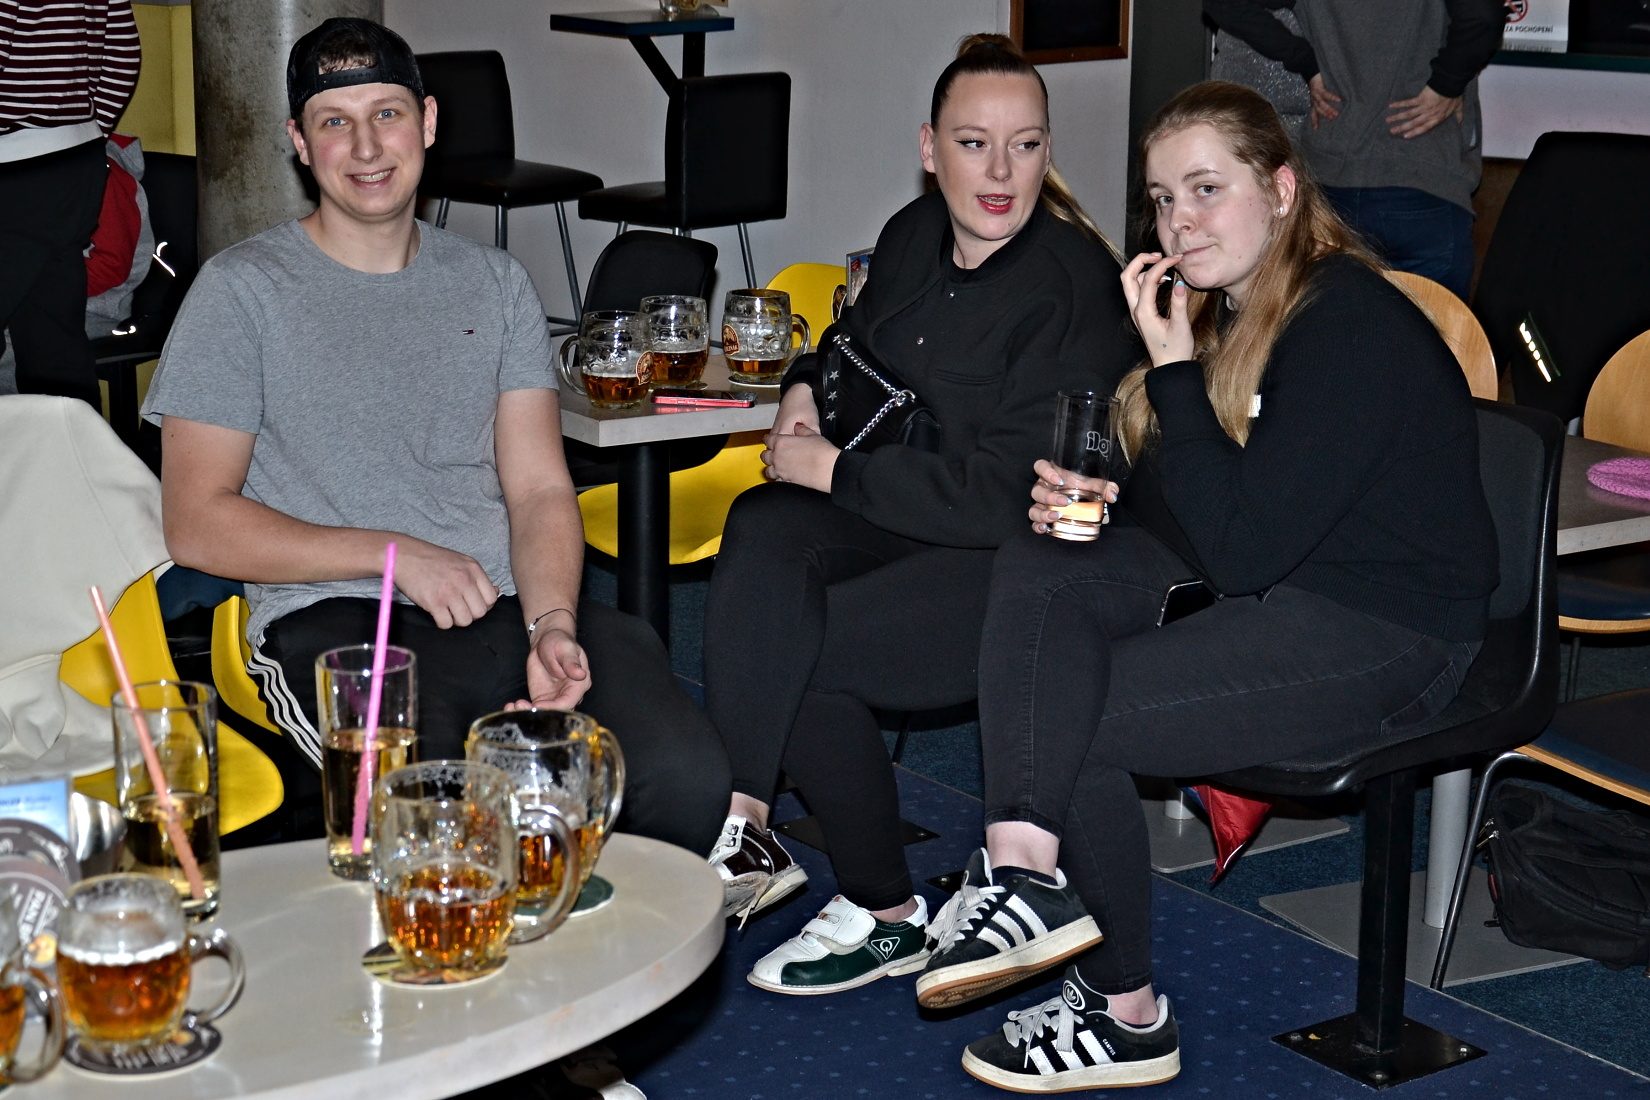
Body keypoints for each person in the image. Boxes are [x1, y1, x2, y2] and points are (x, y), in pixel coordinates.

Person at [918, 81, 1497, 1092]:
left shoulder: (1343, 323)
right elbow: (1204, 510)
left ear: (1281, 188)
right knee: (1043, 562)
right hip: (1291, 587)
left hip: (1391, 630)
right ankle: (1023, 870)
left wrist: (1173, 371)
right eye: (1161, 199)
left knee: (1075, 714)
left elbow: (1240, 552)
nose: (1179, 222)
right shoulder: (1237, 309)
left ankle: (1126, 1013)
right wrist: (1102, 494)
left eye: (1205, 189)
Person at [140, 17, 729, 854]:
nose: (366, 146)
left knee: (681, 782)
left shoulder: (495, 284)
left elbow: (539, 488)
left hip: (502, 603)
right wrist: (394, 555)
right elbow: (196, 522)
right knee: (439, 823)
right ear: (299, 143)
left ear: (428, 122)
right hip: (338, 617)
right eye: (335, 121)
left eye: (386, 113)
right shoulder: (240, 292)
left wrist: (553, 625)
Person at [702, 34, 1135, 995]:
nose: (1001, 172)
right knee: (763, 522)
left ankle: (881, 909)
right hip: (897, 513)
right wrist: (803, 389)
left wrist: (835, 474)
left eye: (1026, 145)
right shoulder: (911, 235)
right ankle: (747, 824)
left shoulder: (1072, 292)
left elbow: (1001, 496)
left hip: (1010, 563)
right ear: (930, 149)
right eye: (975, 144)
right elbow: (848, 346)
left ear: (1049, 151)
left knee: (800, 645)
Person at [1202, 0, 1507, 299]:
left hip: (1330, 185)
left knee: (1327, 329)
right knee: (1436, 329)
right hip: (1423, 178)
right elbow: (1482, 16)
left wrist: (1306, 62)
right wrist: (1446, 84)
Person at [0, 0, 141, 406]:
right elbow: (123, 52)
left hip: (15, 167)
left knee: (52, 343)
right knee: (53, 345)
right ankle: (73, 446)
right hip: (73, 162)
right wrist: (91, 131)